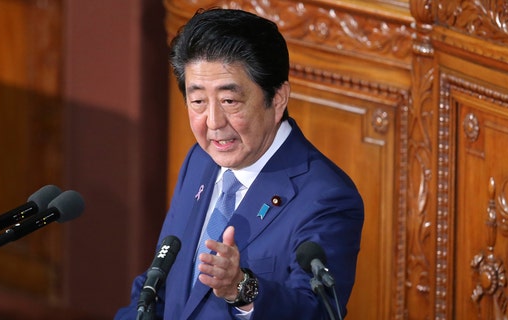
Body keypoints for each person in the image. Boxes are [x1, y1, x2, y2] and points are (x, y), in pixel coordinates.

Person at [114, 8, 363, 320]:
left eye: (229, 101)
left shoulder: (326, 197)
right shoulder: (200, 160)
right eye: (198, 102)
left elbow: (317, 313)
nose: (214, 123)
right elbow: (159, 282)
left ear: (277, 98)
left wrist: (242, 288)